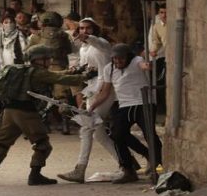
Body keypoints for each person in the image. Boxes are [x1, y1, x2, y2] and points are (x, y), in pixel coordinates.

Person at [0, 45, 86, 186]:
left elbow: (56, 75)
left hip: (8, 112)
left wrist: (74, 71)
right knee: (43, 144)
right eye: (48, 58)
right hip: (26, 113)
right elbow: (60, 78)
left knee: (2, 144)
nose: (50, 61)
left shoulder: (23, 70)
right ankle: (35, 175)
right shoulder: (38, 73)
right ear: (40, 59)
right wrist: (85, 76)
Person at [88, 43, 163, 183]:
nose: (118, 62)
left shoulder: (136, 61)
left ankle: (158, 168)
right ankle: (128, 169)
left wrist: (150, 64)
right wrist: (92, 106)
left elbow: (144, 66)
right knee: (117, 135)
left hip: (143, 102)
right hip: (125, 105)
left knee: (150, 135)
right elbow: (105, 91)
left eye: (121, 59)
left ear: (128, 57)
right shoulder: (109, 69)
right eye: (115, 59)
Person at [57, 17, 120, 183]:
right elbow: (85, 67)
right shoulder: (84, 48)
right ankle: (126, 163)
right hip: (91, 89)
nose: (85, 31)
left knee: (86, 127)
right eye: (82, 28)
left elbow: (96, 42)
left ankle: (80, 169)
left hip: (105, 89)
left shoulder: (102, 43)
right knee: (98, 134)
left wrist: (84, 36)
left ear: (94, 30)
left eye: (88, 28)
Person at [28, 11, 75, 135]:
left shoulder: (36, 36)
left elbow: (28, 53)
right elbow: (68, 51)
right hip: (59, 67)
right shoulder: (63, 35)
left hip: (40, 69)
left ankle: (44, 124)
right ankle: (65, 124)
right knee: (62, 96)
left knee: (41, 96)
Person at [0, 11, 28, 130]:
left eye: (11, 22)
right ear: (2, 23)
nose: (8, 24)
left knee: (17, 97)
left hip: (17, 72)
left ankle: (18, 123)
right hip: (0, 72)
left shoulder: (21, 36)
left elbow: (26, 53)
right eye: (6, 22)